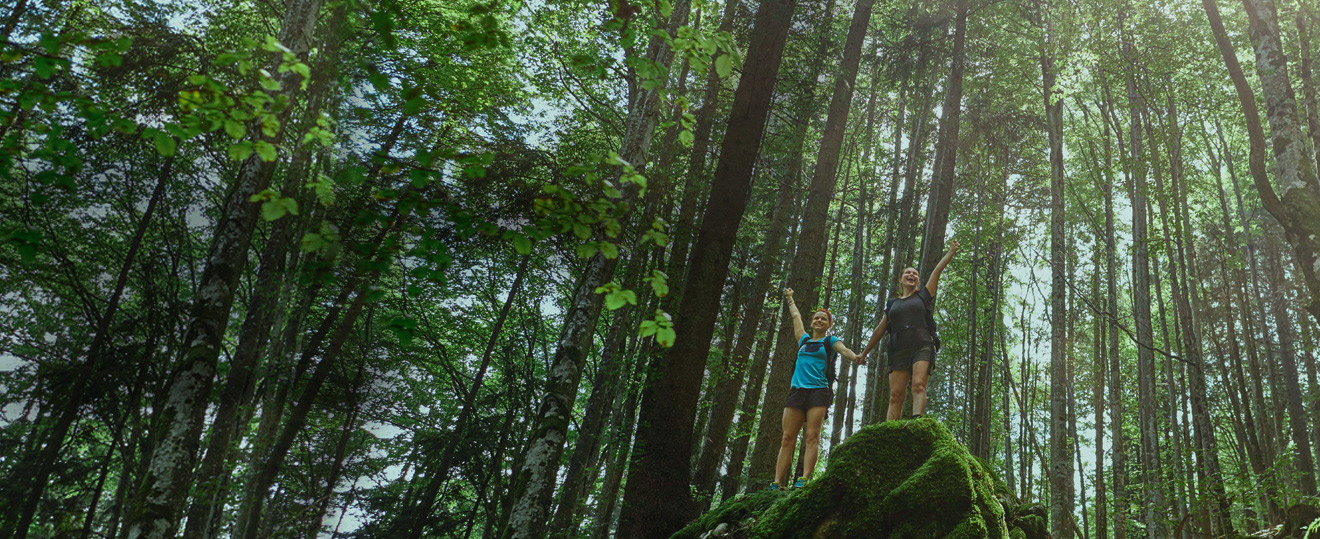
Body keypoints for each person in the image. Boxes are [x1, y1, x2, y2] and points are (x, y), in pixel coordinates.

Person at [859, 239, 960, 422]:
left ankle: (917, 423)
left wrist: (951, 252)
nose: (911, 275)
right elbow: (879, 331)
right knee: (895, 394)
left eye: (914, 273)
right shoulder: (892, 304)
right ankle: (891, 431)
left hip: (922, 344)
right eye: (907, 273)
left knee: (919, 385)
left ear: (918, 280)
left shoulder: (923, 295)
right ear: (901, 279)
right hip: (898, 348)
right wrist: (864, 353)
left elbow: (937, 270)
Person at [772, 288, 861, 490]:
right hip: (797, 391)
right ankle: (776, 482)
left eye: (823, 319)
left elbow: (844, 350)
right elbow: (795, 315)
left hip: (818, 392)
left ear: (829, 325)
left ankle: (804, 479)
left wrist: (855, 357)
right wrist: (790, 298)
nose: (819, 321)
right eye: (816, 318)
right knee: (787, 438)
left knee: (812, 436)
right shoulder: (802, 339)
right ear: (812, 322)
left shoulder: (830, 341)